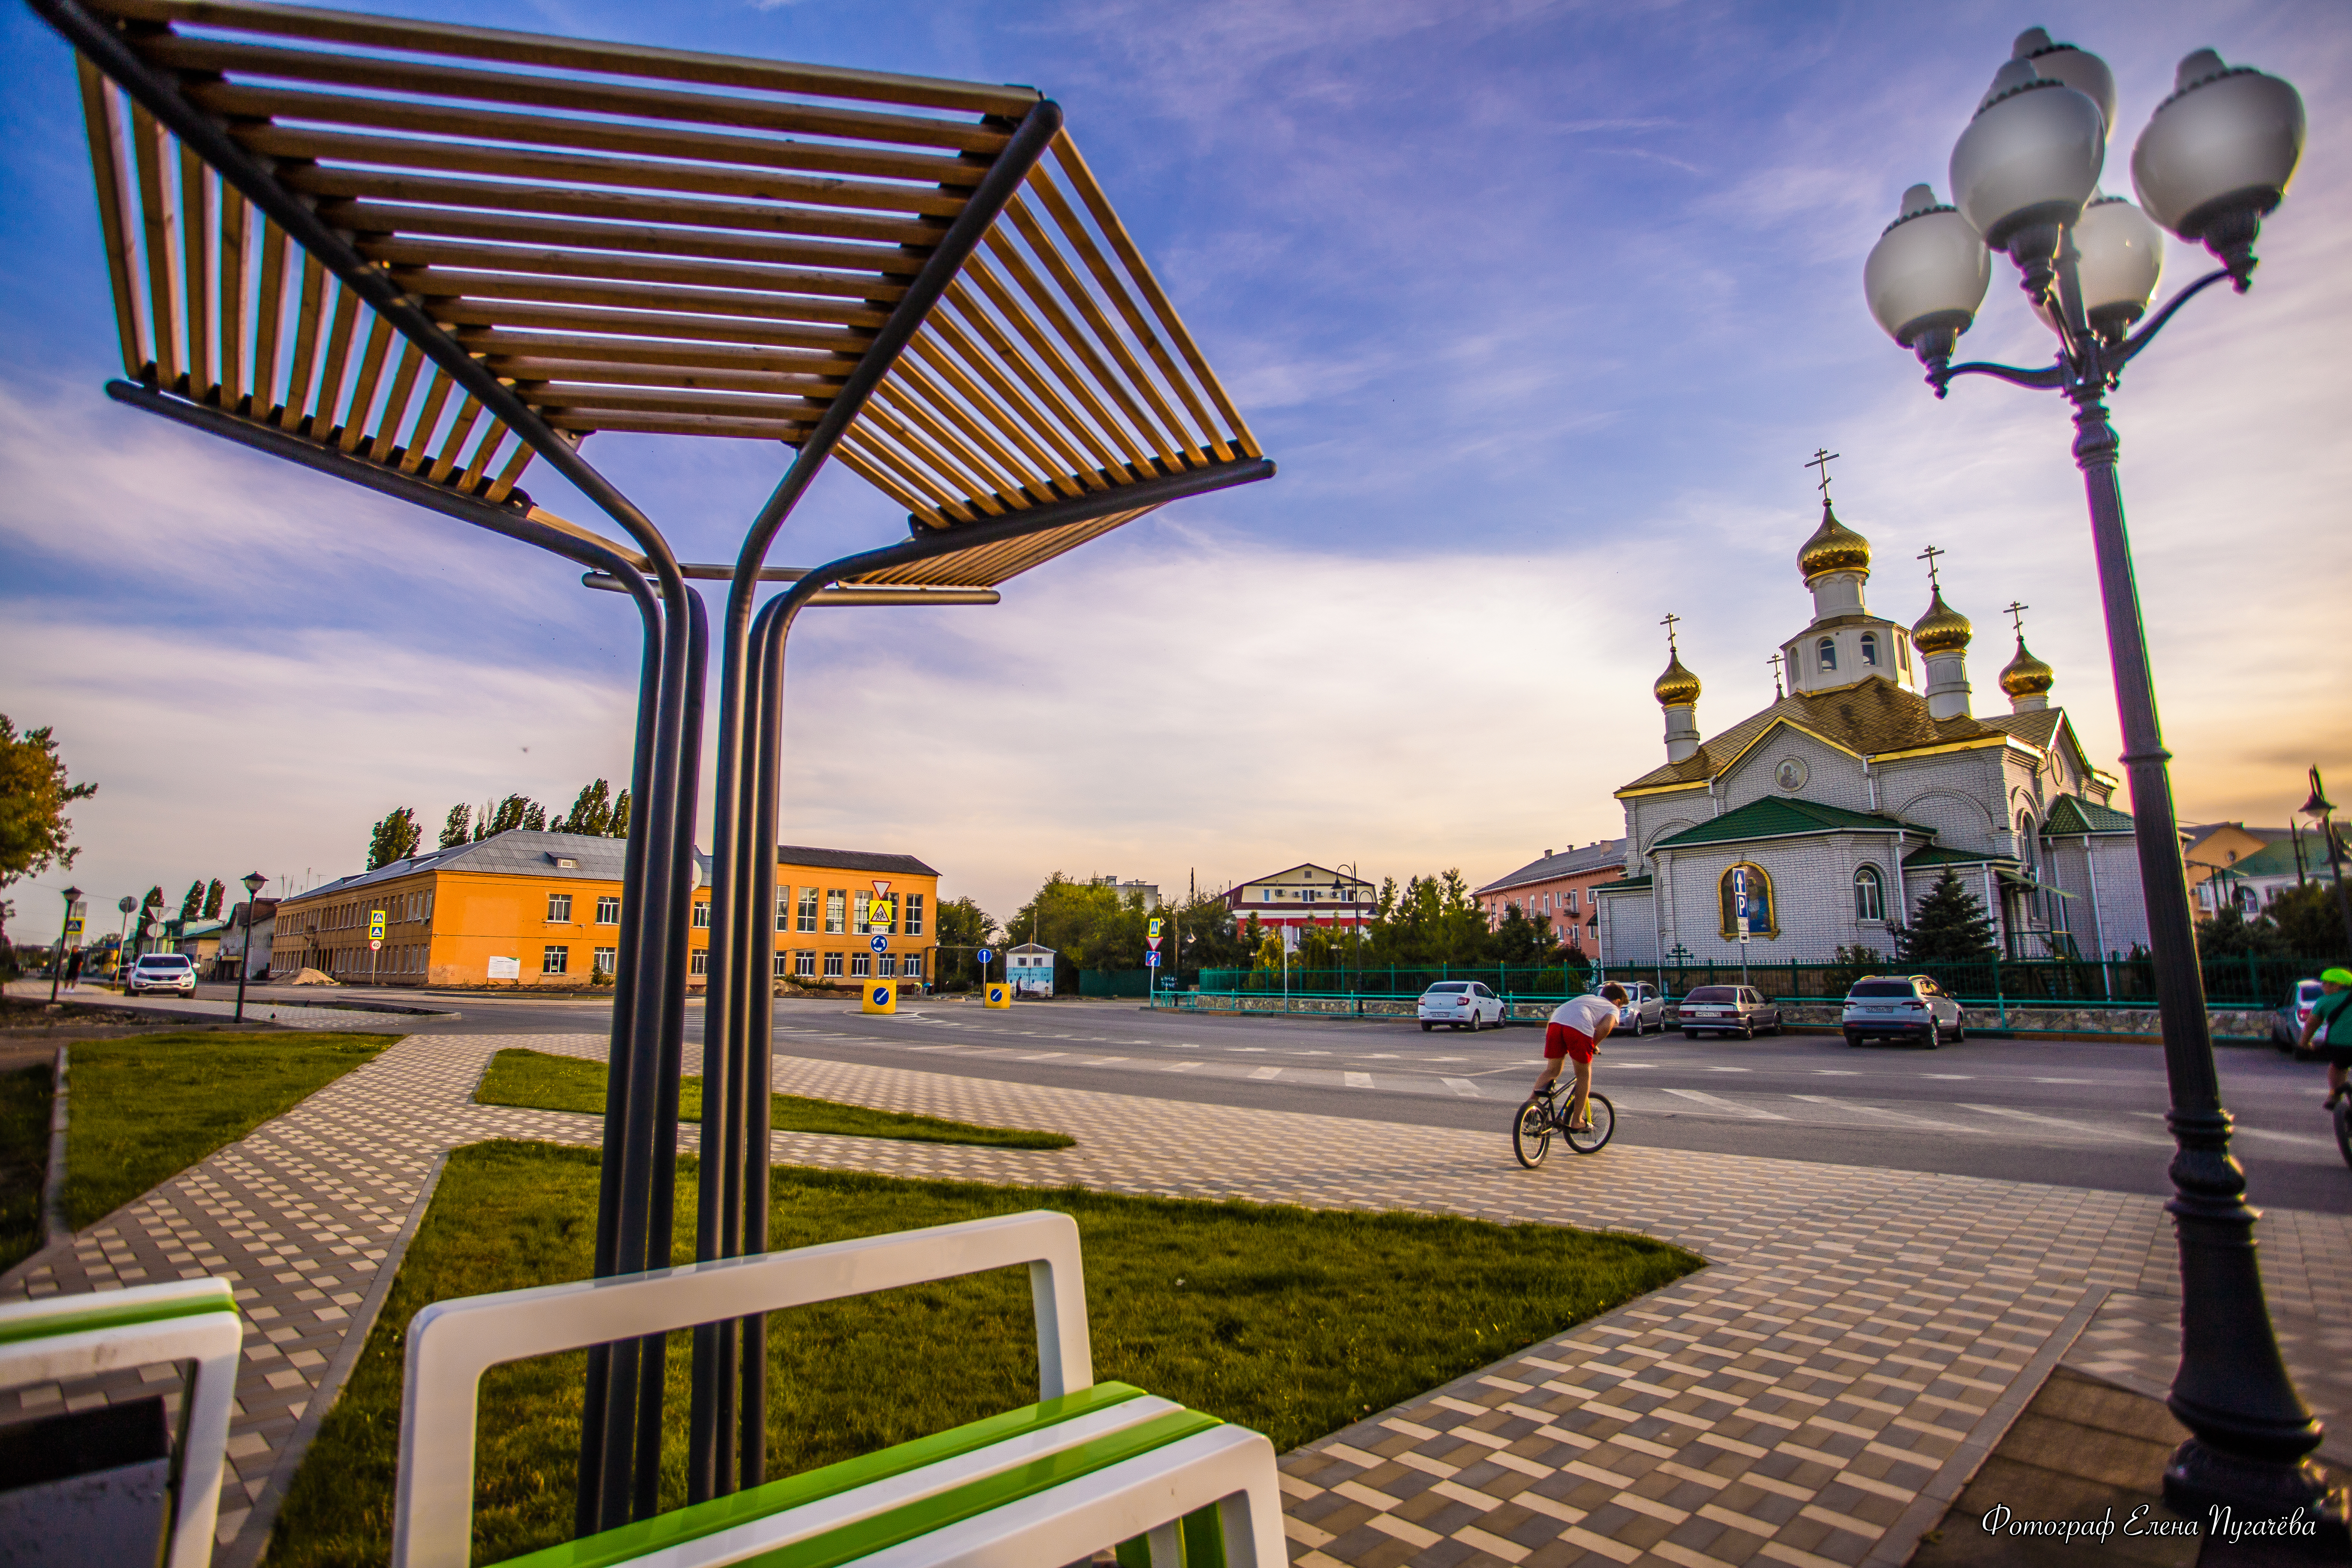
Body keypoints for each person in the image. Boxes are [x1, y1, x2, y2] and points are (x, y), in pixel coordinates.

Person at [1536, 983, 1628, 1133]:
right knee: (1584, 1075)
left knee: (1552, 1070)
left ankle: (1530, 1106)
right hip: (1578, 1028)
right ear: (1618, 1002)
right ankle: (1577, 1120)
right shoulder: (1613, 1008)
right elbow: (1605, 1028)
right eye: (1621, 1006)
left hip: (1555, 1023)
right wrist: (1592, 1046)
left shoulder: (1589, 998)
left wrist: (1590, 1045)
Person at [2300, 967, 2352, 1109]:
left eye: (2325, 984)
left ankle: (2335, 1095)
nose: (2323, 987)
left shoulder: (2324, 1001)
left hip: (2339, 1046)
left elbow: (2311, 1025)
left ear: (2337, 985)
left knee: (2338, 1066)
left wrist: (2303, 1045)